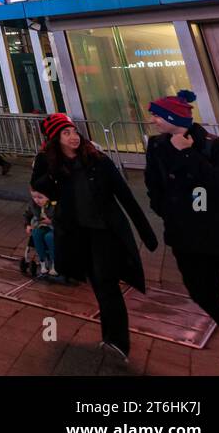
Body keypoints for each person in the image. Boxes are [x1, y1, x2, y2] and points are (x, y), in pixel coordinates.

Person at [31, 113, 157, 362]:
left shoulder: (98, 161)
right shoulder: (54, 166)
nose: (73, 137)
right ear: (56, 140)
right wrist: (50, 164)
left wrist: (146, 232)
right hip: (78, 234)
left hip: (104, 233)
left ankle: (118, 342)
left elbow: (125, 196)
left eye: (73, 132)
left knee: (106, 282)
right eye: (65, 133)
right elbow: (39, 186)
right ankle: (110, 337)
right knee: (98, 284)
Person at [143, 90, 219, 371]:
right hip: (188, 239)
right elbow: (153, 185)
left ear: (172, 117)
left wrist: (188, 153)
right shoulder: (156, 147)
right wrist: (167, 210)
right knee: (201, 293)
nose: (153, 120)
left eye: (156, 115)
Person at [21, 188, 58, 281]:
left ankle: (54, 262)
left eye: (40, 197)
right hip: (41, 226)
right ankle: (43, 260)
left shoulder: (55, 205)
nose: (36, 200)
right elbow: (27, 215)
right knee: (36, 234)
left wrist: (52, 221)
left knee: (49, 237)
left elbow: (64, 218)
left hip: (56, 228)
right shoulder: (33, 204)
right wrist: (27, 225)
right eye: (34, 197)